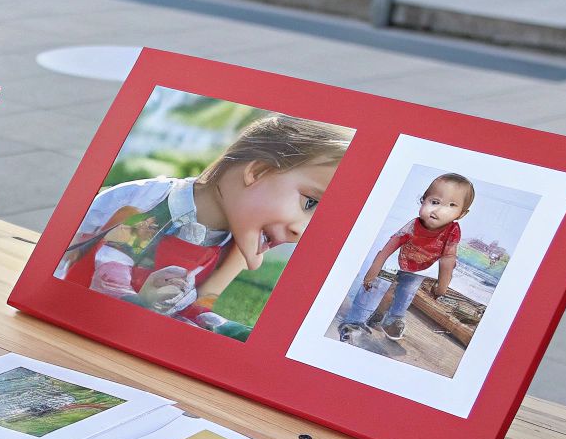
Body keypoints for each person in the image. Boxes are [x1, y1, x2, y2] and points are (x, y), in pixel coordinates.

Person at [55, 113, 354, 333]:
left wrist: (231, 331)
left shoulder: (237, 242)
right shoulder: (149, 206)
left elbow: (199, 306)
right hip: (74, 317)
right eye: (309, 203)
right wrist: (143, 303)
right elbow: (105, 285)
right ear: (258, 171)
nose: (301, 230)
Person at [338, 173, 476, 344]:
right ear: (423, 200)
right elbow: (389, 247)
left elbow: (448, 259)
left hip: (420, 265)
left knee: (408, 290)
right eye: (434, 202)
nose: (439, 210)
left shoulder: (452, 232)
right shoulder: (412, 226)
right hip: (393, 261)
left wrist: (442, 286)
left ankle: (393, 320)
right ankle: (353, 324)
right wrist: (374, 270)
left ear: (461, 214)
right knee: (375, 287)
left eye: (451, 205)